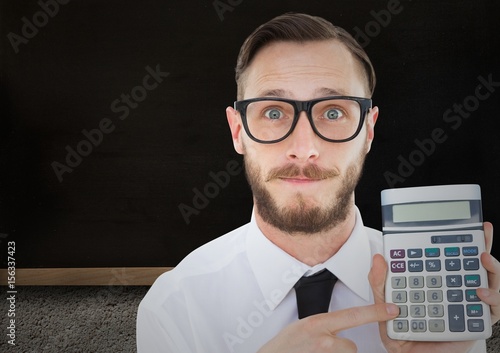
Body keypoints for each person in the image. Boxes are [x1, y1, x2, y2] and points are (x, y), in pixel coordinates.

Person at [137, 13, 500, 353]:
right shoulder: (174, 307)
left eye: (333, 112)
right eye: (274, 112)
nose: (304, 148)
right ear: (238, 131)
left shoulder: (445, 298)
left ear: (368, 131)